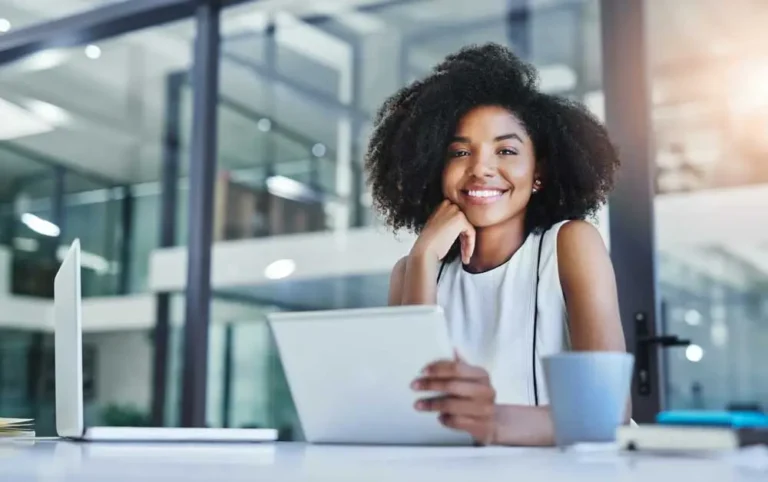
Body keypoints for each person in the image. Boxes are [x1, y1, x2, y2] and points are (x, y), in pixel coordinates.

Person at [365, 43, 627, 446]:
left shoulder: (569, 245)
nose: (481, 168)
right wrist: (423, 257)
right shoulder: (413, 267)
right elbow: (411, 414)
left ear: (538, 172)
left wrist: (492, 422)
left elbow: (609, 414)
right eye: (460, 152)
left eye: (506, 150)